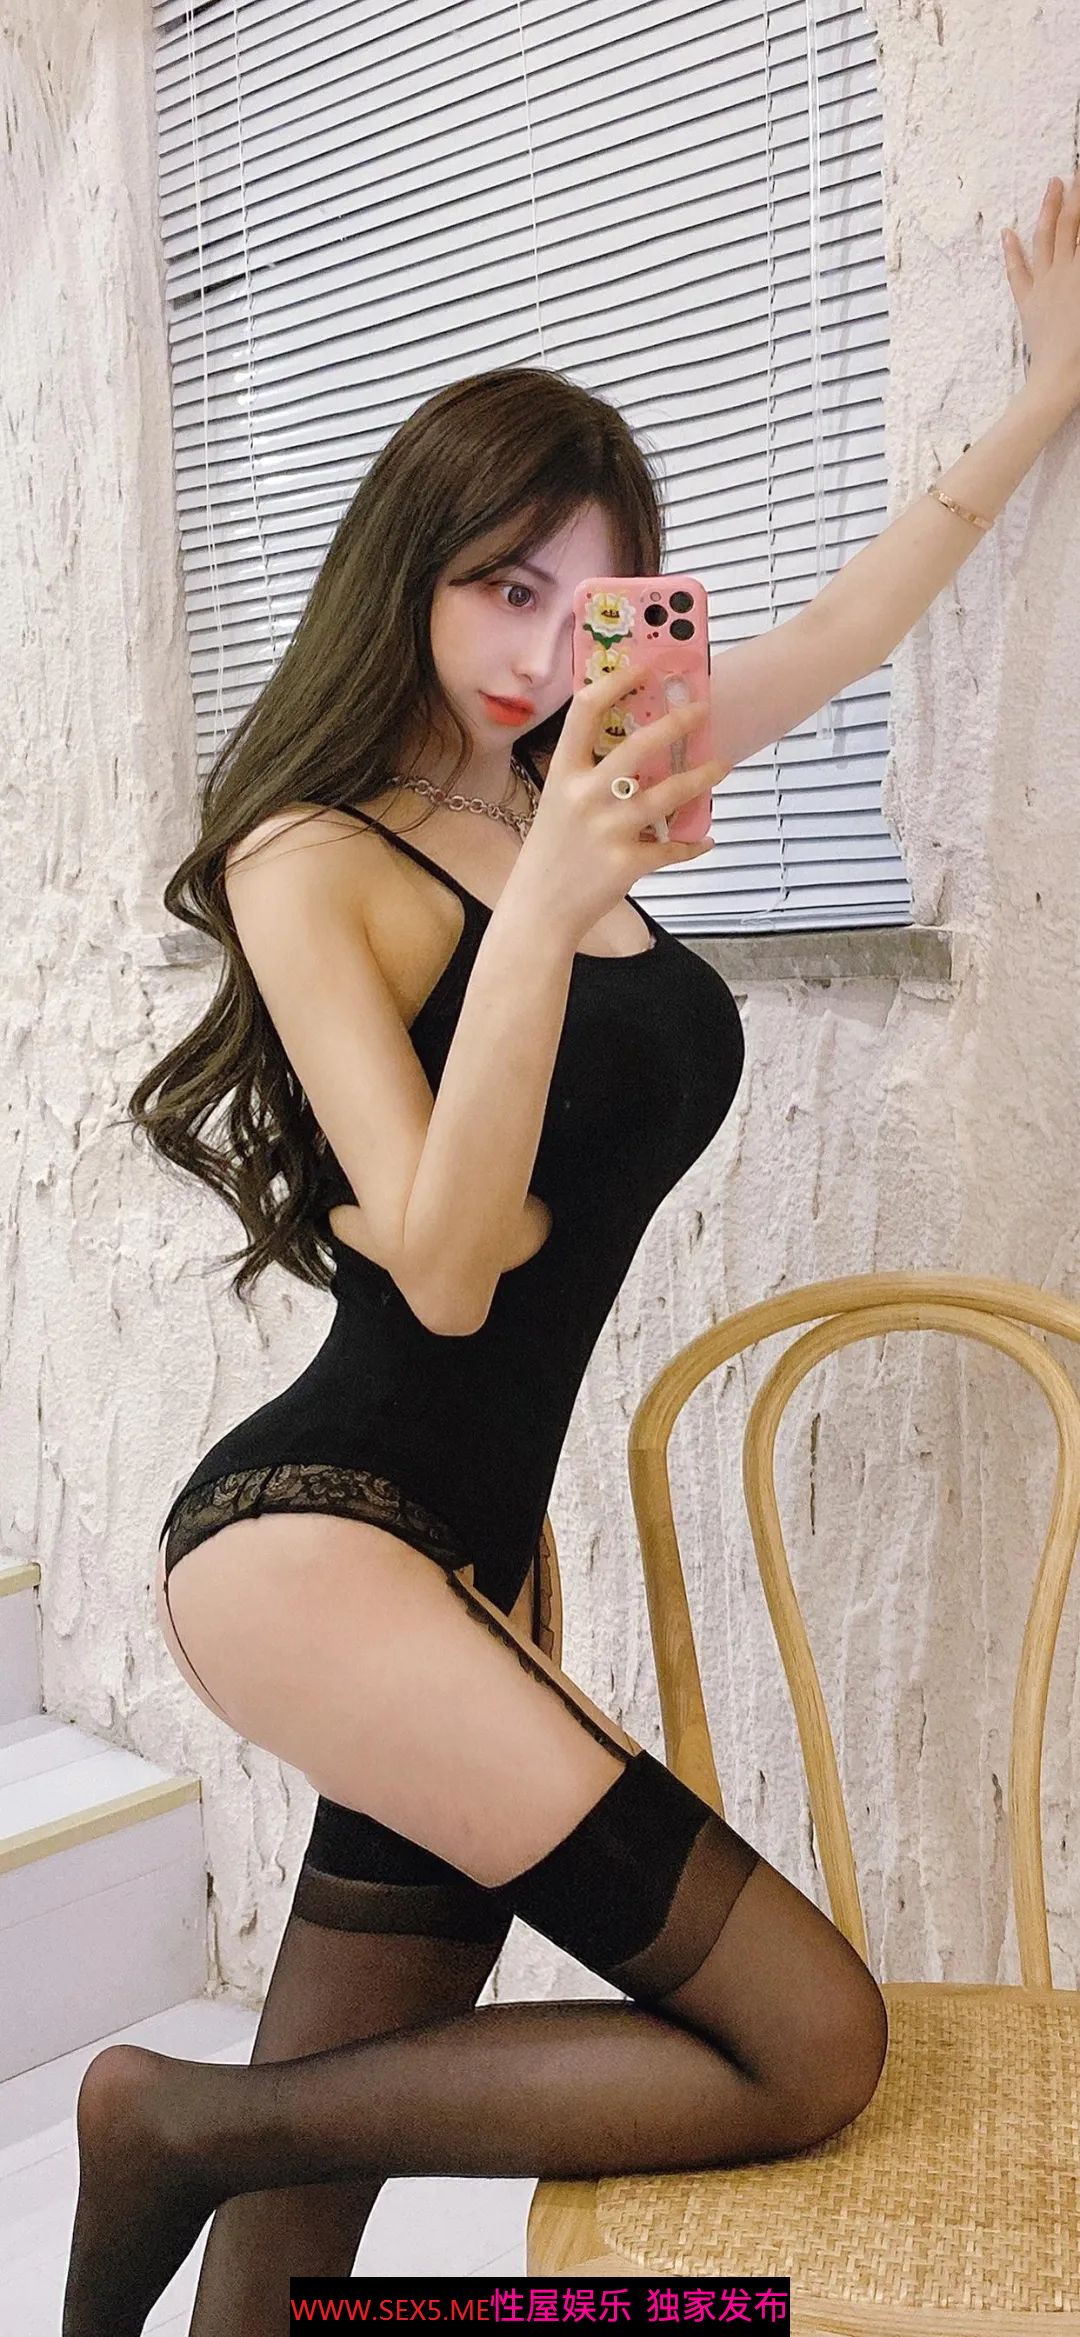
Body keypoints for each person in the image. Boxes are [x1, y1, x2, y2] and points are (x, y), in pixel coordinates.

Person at [64, 166, 1080, 2334]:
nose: (545, 655)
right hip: (315, 1539)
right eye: (504, 589)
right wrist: (538, 901)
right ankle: (165, 2116)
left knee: (304, 2235)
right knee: (809, 2038)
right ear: (410, 572)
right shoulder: (314, 853)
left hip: (459, 1557)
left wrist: (1042, 392)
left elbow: (859, 618)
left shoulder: (580, 783)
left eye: (594, 605)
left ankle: (212, 2159)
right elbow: (444, 1270)